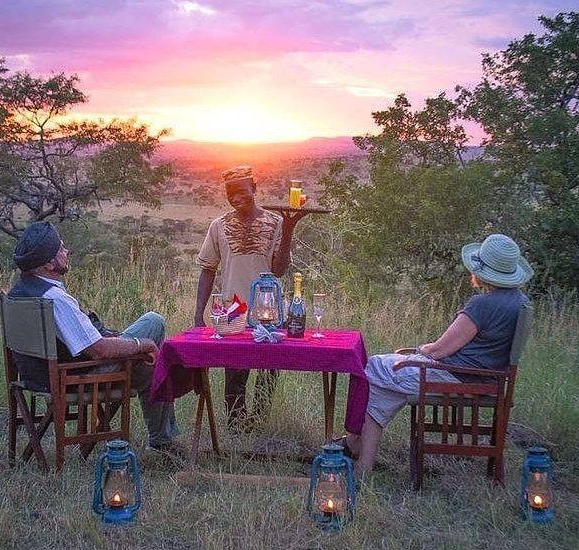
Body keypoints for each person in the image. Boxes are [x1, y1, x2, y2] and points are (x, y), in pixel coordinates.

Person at [343, 233, 533, 476]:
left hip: (456, 377)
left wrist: (421, 349)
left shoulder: (482, 304)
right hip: (486, 378)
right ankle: (361, 457)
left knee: (374, 366)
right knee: (386, 382)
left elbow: (441, 349)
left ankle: (357, 448)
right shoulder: (520, 302)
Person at [8, 221, 178, 452]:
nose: (66, 252)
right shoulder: (54, 298)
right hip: (73, 379)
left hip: (37, 377)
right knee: (153, 323)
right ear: (48, 263)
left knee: (148, 367)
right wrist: (143, 344)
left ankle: (163, 442)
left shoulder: (18, 292)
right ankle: (162, 443)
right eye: (60, 249)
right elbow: (98, 350)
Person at [194, 165, 306, 431]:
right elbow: (207, 269)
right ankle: (235, 427)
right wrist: (198, 314)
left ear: (254, 188)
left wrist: (289, 230)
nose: (235, 198)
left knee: (268, 370)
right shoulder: (218, 226)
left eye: (242, 191)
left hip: (269, 309)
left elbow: (278, 270)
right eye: (230, 193)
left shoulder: (276, 222)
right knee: (234, 373)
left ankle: (259, 423)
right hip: (233, 309)